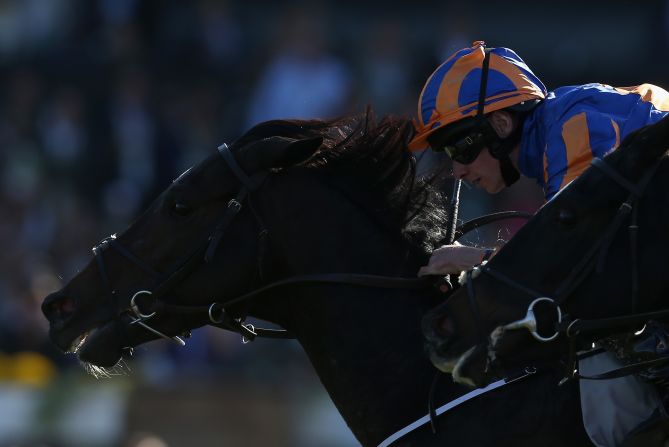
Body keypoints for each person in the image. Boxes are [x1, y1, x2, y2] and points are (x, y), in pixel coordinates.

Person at [411, 41, 669, 278]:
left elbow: (568, 261)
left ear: (501, 123)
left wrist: (472, 258)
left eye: (461, 149)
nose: (458, 171)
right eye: (448, 155)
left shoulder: (573, 129)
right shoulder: (559, 127)